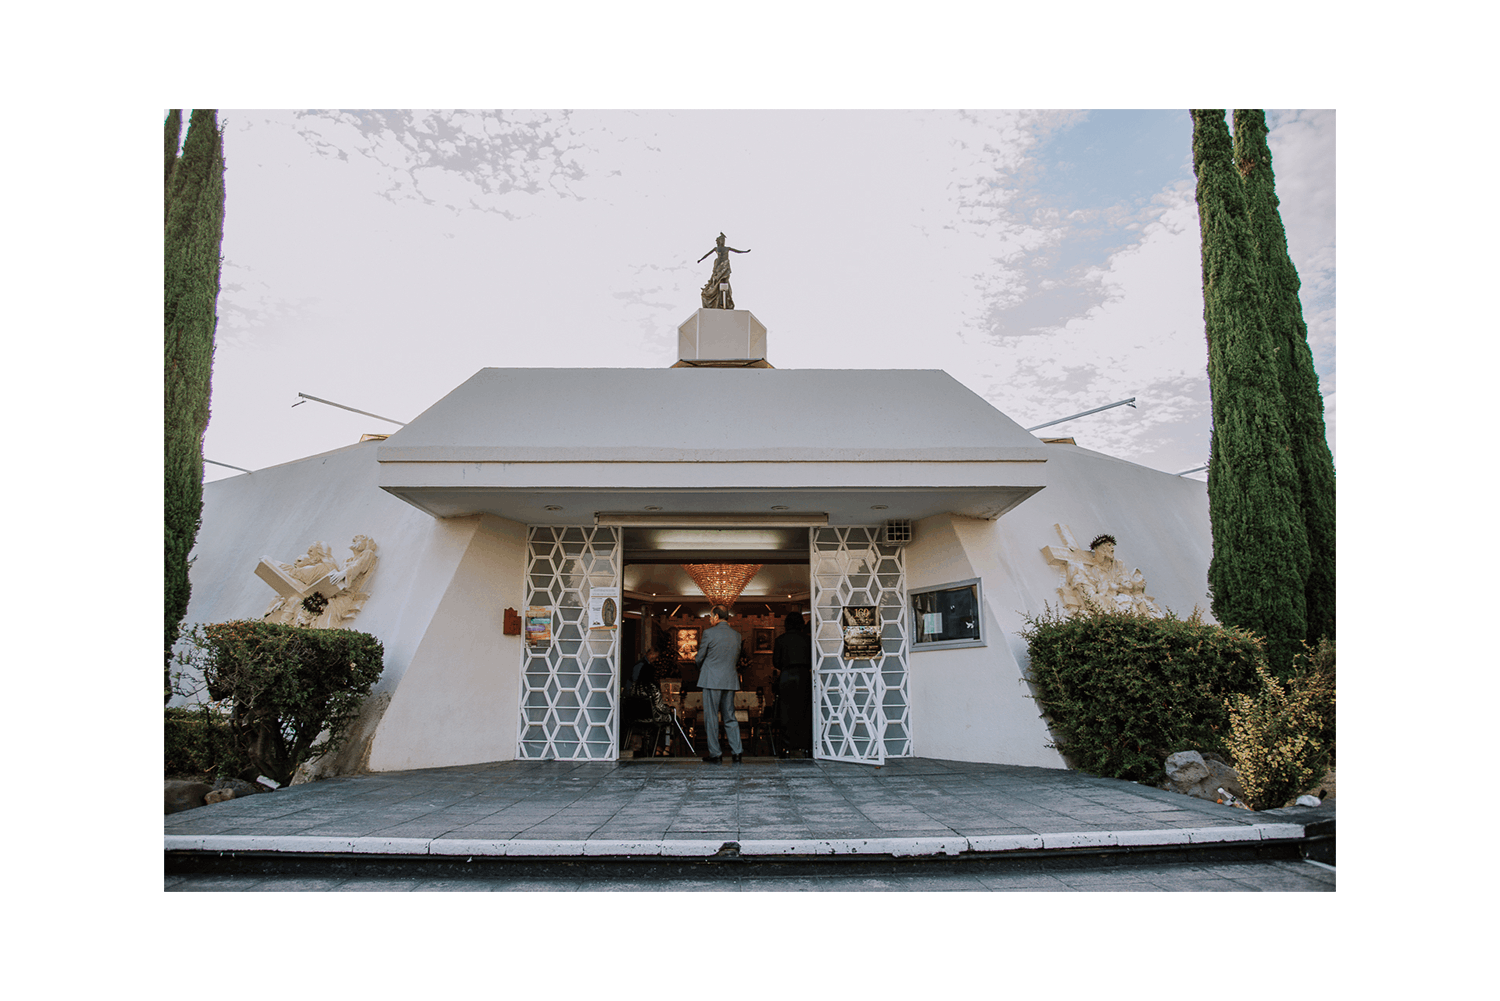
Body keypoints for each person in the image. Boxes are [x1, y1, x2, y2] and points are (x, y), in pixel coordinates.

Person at [694, 604, 744, 763]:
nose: (709, 619)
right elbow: (735, 658)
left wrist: (703, 668)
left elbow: (699, 657)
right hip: (729, 679)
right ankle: (737, 752)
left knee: (711, 717)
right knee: (730, 716)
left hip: (711, 679)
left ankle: (716, 753)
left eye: (710, 616)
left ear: (716, 616)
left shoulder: (709, 633)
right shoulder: (736, 635)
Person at [772, 611, 814, 757]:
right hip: (804, 676)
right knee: (804, 712)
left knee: (786, 713)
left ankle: (786, 747)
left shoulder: (780, 640)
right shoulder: (808, 640)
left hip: (786, 676)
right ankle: (805, 746)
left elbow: (776, 662)